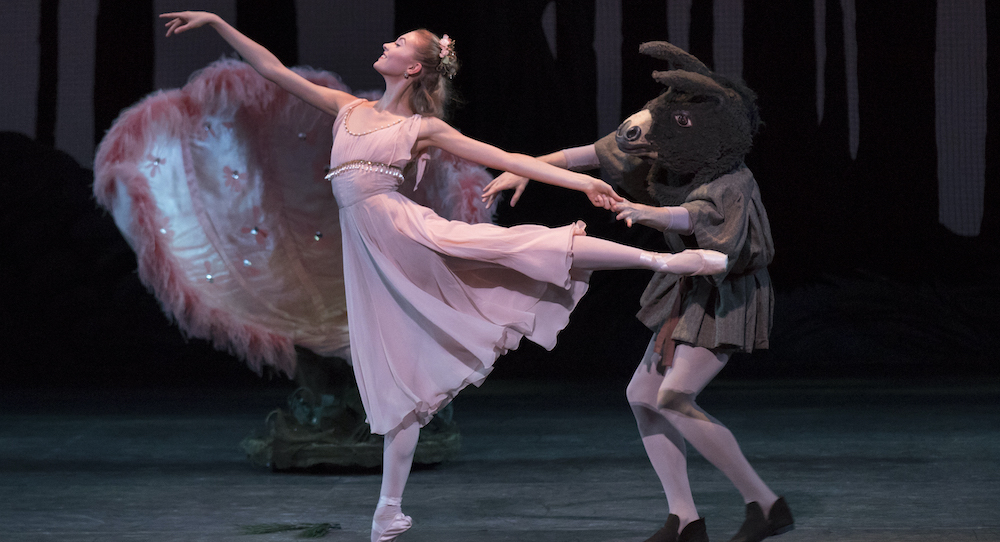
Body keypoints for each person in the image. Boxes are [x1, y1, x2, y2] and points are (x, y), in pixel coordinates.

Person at [160, 11, 728, 542]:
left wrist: (579, 183)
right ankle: (388, 509)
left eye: (399, 43)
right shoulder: (348, 108)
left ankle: (665, 261)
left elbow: (506, 155)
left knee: (524, 244)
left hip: (412, 236)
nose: (386, 43)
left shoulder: (423, 128)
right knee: (398, 374)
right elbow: (271, 68)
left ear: (413, 67)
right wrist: (216, 22)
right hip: (373, 261)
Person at [481, 96, 790, 542]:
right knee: (643, 394)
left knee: (674, 396)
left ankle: (766, 505)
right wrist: (524, 167)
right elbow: (589, 154)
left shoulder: (732, 178)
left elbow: (699, 217)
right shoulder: (669, 153)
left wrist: (648, 212)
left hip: (726, 291)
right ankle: (685, 519)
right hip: (688, 283)